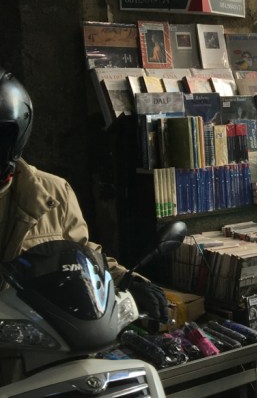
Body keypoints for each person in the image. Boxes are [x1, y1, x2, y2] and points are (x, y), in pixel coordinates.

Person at [0, 69, 166, 315]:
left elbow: (83, 255)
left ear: (18, 134)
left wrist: (128, 281)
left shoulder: (52, 193)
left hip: (43, 337)